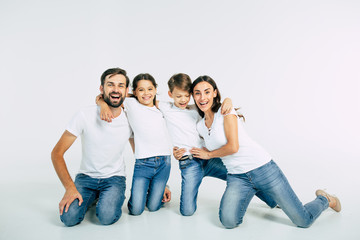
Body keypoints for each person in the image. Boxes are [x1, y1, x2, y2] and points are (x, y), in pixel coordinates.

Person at [189, 75, 341, 229]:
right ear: (193, 96)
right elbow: (210, 146)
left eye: (207, 92)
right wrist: (182, 151)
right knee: (228, 222)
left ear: (215, 93)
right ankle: (255, 191)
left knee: (303, 220)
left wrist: (208, 155)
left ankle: (325, 199)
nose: (202, 97)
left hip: (263, 169)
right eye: (197, 93)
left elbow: (232, 147)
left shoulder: (226, 112)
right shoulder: (200, 125)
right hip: (237, 177)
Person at [163, 73, 277, 216]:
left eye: (187, 96)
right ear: (170, 94)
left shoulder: (196, 108)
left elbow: (214, 107)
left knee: (244, 177)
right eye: (179, 96)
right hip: (189, 163)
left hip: (210, 158)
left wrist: (228, 100)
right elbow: (141, 98)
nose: (183, 100)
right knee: (187, 211)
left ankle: (273, 201)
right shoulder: (166, 108)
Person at [51, 68, 133, 226]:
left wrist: (163, 184)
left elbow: (142, 152)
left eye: (121, 85)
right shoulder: (84, 115)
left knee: (107, 217)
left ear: (127, 90)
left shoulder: (130, 117)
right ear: (102, 89)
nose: (116, 89)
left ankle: (108, 196)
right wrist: (70, 188)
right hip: (86, 178)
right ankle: (95, 196)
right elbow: (56, 153)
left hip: (114, 179)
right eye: (110, 84)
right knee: (68, 219)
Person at [97, 73, 171, 216]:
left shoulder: (161, 108)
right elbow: (101, 97)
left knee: (154, 207)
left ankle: (162, 188)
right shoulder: (130, 103)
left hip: (164, 162)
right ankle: (141, 191)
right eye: (141, 90)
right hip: (143, 163)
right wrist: (103, 106)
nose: (146, 93)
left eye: (150, 89)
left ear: (155, 90)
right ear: (134, 92)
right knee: (136, 210)